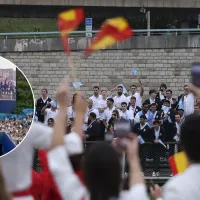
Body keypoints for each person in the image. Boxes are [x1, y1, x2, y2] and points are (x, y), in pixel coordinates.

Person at [47, 80, 149, 200]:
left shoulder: (75, 195)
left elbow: (57, 159)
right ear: (116, 171)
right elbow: (138, 183)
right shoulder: (135, 197)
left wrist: (63, 106)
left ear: (86, 173)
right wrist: (133, 158)